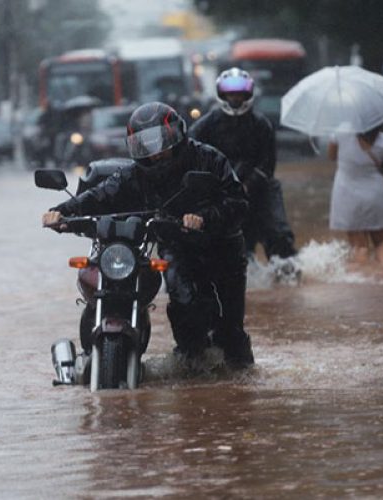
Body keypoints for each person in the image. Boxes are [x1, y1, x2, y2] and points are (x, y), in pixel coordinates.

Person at [41, 102, 254, 368]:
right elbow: (99, 196)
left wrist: (204, 218)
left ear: (176, 135)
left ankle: (240, 382)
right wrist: (62, 212)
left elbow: (239, 202)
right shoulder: (134, 175)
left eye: (159, 143)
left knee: (230, 331)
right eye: (143, 145)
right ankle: (190, 363)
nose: (153, 154)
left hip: (222, 248)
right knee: (183, 303)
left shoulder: (209, 159)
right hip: (176, 246)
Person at [189, 67, 298, 261]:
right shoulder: (203, 127)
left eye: (239, 93)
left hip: (259, 191)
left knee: (280, 238)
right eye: (231, 93)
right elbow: (192, 162)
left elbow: (268, 165)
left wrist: (248, 184)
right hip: (220, 194)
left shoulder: (262, 124)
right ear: (222, 94)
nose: (235, 98)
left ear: (248, 94)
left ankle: (287, 274)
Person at [327, 124, 383, 267]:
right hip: (375, 195)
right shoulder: (382, 140)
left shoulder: (339, 132)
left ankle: (363, 281)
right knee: (382, 242)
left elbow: (331, 156)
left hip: (347, 195)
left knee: (358, 246)